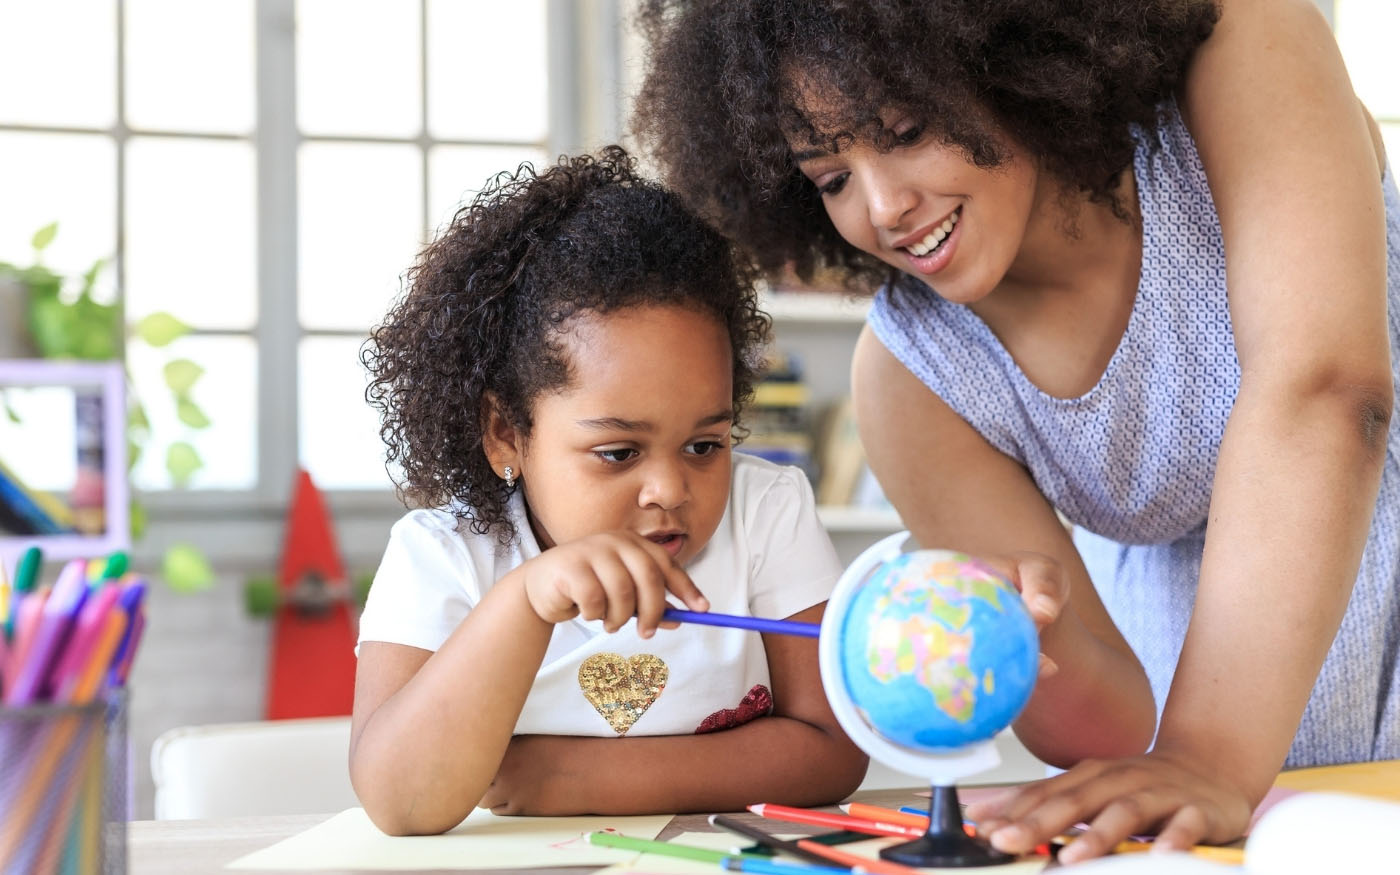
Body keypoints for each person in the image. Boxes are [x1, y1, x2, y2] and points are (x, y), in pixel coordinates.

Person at [631, 0, 1399, 862]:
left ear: (1013, 57)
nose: (884, 207)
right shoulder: (912, 378)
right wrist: (1029, 633)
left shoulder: (1237, 38)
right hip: (1226, 710)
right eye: (832, 178)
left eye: (908, 128)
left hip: (1238, 714)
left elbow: (1327, 391)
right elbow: (1110, 725)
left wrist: (1207, 752)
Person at [350, 147, 868, 835]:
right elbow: (402, 802)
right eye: (618, 452)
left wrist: (567, 777)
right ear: (506, 433)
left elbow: (833, 750)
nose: (668, 488)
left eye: (705, 444)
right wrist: (526, 600)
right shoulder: (442, 554)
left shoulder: (766, 511)